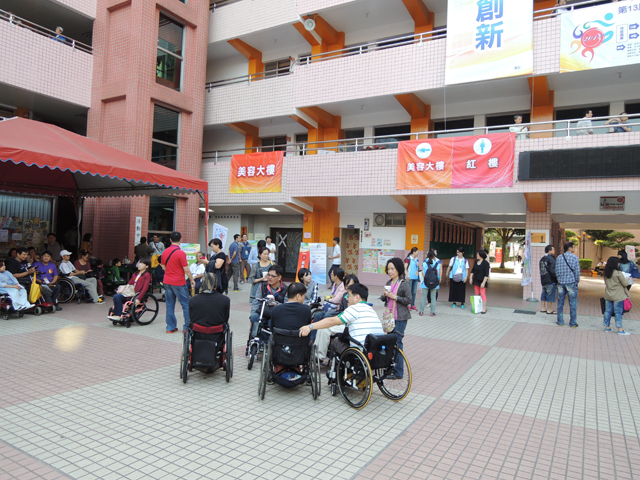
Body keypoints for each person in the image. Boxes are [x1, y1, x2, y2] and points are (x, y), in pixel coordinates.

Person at [299, 283, 383, 364]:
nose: (346, 298)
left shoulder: (354, 309)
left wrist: (310, 326)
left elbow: (331, 321)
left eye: (348, 295)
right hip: (376, 353)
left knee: (336, 342)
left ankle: (334, 368)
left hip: (360, 352)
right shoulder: (371, 310)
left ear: (357, 297)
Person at [313, 274, 359, 362]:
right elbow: (341, 310)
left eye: (351, 285)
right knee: (322, 328)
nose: (348, 288)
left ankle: (320, 355)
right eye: (346, 286)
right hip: (342, 321)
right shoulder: (345, 295)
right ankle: (317, 355)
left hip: (350, 324)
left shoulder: (358, 297)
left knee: (325, 328)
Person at [381, 258, 411, 379]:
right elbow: (384, 299)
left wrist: (395, 297)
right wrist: (384, 295)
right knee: (389, 343)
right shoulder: (388, 283)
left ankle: (399, 372)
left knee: (397, 343)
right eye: (388, 269)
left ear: (398, 269)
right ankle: (390, 368)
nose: (390, 271)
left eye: (392, 269)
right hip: (389, 317)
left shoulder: (404, 284)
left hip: (400, 318)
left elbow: (409, 300)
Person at [161, 232, 196, 334]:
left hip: (167, 281)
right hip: (179, 282)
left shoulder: (165, 252)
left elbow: (163, 267)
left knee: (169, 305)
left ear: (170, 240)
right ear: (180, 240)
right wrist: (191, 279)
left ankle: (170, 327)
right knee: (186, 305)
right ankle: (187, 327)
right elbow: (186, 269)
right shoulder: (181, 253)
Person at [248, 264, 287, 339]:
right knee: (254, 317)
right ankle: (261, 340)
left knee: (272, 323)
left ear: (279, 277)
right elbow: (256, 302)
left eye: (273, 276)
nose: (270, 277)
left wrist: (276, 304)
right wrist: (251, 317)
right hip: (263, 312)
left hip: (276, 315)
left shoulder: (285, 289)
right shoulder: (262, 286)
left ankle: (268, 341)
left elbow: (286, 306)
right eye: (269, 275)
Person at [602, 257, 631, 335]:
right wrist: (627, 279)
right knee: (618, 312)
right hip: (618, 296)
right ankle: (620, 329)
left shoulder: (606, 273)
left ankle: (607, 327)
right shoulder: (618, 273)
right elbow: (625, 283)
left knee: (607, 311)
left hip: (608, 295)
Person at [556, 241, 580, 328]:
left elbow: (556, 271)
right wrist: (577, 281)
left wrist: (559, 280)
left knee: (560, 302)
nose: (574, 249)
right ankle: (573, 323)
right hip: (571, 283)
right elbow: (577, 271)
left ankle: (560, 321)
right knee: (573, 303)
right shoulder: (575, 258)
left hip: (561, 283)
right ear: (570, 248)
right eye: (574, 247)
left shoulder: (559, 257)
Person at [420, 251, 440, 317]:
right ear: (434, 256)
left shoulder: (424, 263)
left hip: (426, 283)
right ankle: (432, 312)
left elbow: (424, 273)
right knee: (433, 298)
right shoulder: (437, 264)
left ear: (427, 256)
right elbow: (438, 274)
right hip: (434, 283)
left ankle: (421, 311)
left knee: (423, 297)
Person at [539, 245, 558, 314]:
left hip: (543, 279)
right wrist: (557, 278)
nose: (554, 250)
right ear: (549, 250)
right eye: (553, 249)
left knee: (544, 293)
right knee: (550, 294)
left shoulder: (542, 259)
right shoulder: (551, 259)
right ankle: (549, 309)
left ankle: (543, 308)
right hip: (551, 279)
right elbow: (553, 270)